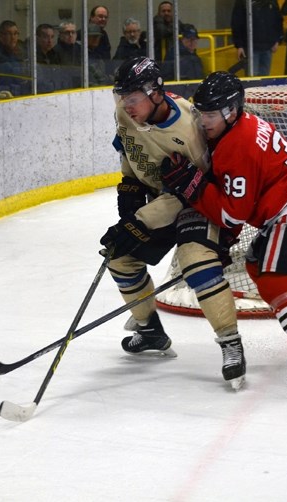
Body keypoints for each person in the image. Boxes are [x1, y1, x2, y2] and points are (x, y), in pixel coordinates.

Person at [159, 71, 287, 387]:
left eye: (212, 114)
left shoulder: (237, 144)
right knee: (257, 265)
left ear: (232, 111)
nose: (204, 120)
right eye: (201, 112)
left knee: (275, 281)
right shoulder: (238, 129)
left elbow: (233, 215)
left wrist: (192, 186)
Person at [100, 57, 246, 389]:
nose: (126, 105)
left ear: (154, 93)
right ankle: (150, 331)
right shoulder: (126, 112)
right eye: (121, 98)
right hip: (159, 198)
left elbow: (184, 193)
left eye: (132, 98)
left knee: (196, 264)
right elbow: (128, 149)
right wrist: (130, 190)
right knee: (119, 257)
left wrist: (140, 220)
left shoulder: (189, 132)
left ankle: (230, 342)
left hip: (196, 201)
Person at [230, 0, 283, 77]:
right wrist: (239, 45)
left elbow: (278, 19)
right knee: (252, 77)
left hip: (268, 45)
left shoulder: (272, 1)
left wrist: (277, 40)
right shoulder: (243, 2)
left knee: (264, 77)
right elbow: (236, 23)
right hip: (250, 46)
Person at [0, 20, 29, 96]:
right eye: (9, 34)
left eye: (15, 33)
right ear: (1, 36)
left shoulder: (22, 51)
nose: (13, 37)